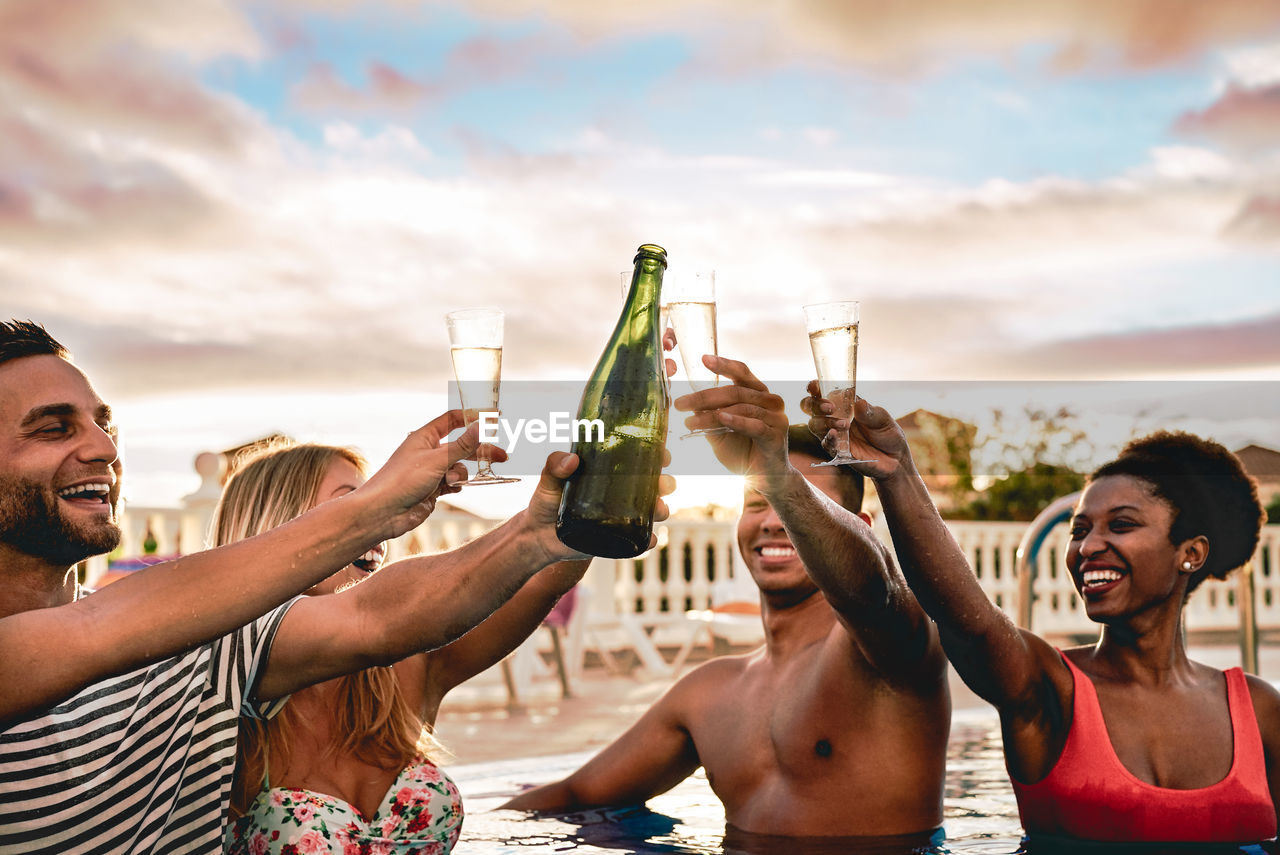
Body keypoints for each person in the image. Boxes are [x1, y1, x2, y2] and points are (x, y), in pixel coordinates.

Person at [0, 319, 668, 854]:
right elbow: (92, 632)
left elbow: (376, 618)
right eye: (54, 426)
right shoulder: (143, 637)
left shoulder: (195, 653)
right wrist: (372, 506)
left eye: (104, 424)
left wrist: (554, 525)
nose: (107, 449)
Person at [503, 355, 950, 845]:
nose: (773, 519)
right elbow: (576, 794)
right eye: (757, 503)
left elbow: (874, 591)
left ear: (859, 529)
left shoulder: (891, 652)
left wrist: (777, 476)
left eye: (807, 504)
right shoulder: (708, 694)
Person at [808, 390, 1280, 846]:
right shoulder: (1047, 687)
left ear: (1191, 554)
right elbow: (967, 618)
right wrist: (898, 475)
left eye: (1121, 524)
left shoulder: (1258, 710)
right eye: (1080, 530)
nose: (1088, 547)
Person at [215, 441, 590, 854]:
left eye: (379, 506)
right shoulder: (218, 691)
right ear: (278, 525)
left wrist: (594, 496)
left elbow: (546, 575)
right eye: (353, 505)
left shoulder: (406, 669)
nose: (381, 525)